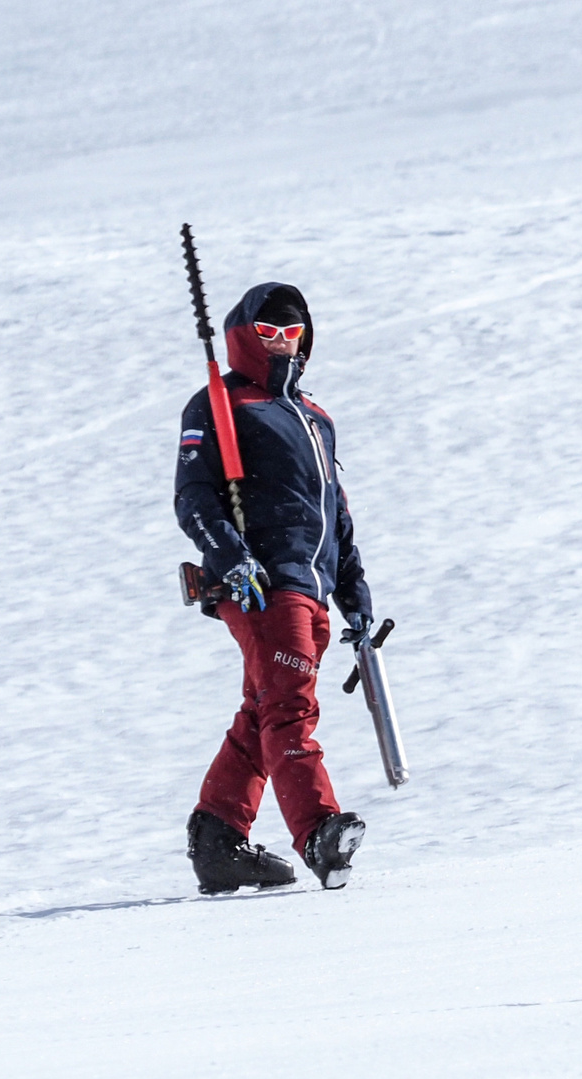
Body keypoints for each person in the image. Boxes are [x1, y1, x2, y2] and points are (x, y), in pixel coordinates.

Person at [175, 281, 370, 892]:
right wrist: (231, 558)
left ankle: (218, 839)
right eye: (269, 333)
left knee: (265, 706)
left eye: (293, 334)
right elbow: (193, 497)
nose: (282, 345)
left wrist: (354, 591)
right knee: (290, 707)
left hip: (309, 586)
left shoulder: (315, 418)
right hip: (262, 582)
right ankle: (319, 833)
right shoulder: (219, 404)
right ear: (243, 335)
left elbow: (333, 514)